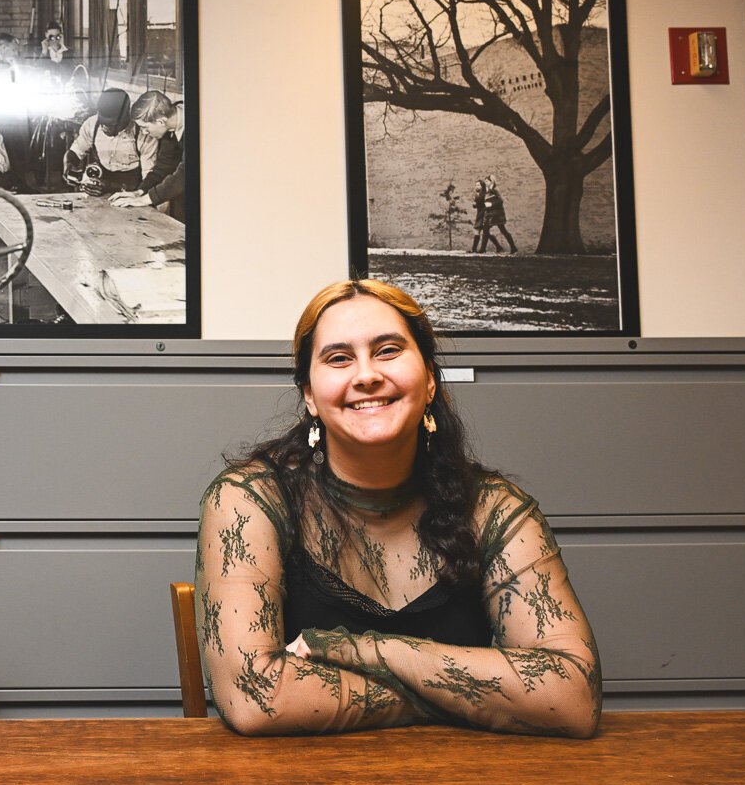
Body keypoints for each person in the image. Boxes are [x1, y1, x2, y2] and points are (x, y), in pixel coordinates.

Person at [196, 279, 600, 738]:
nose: (366, 375)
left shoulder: (493, 507)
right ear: (309, 395)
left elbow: (572, 697)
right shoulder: (249, 500)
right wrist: (458, 696)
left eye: (388, 350)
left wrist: (362, 651)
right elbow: (255, 697)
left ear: (429, 380)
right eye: (339, 358)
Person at [64, 88, 156, 195]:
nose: (105, 129)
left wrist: (116, 188)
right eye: (102, 123)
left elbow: (149, 179)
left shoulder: (143, 132)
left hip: (132, 190)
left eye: (112, 125)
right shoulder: (92, 124)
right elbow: (74, 152)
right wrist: (68, 165)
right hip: (101, 185)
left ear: (126, 116)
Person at [111, 91, 185, 222]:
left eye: (145, 127)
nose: (144, 133)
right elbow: (163, 167)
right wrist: (140, 191)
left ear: (161, 121)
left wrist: (145, 200)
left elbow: (184, 175)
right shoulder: (169, 127)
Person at [481, 175, 517, 252]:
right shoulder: (487, 191)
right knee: (486, 230)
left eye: (487, 181)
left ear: (492, 181)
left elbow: (500, 201)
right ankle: (484, 249)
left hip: (497, 214)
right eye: (485, 181)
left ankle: (513, 247)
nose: (485, 182)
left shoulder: (494, 190)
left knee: (502, 230)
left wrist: (491, 204)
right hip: (490, 214)